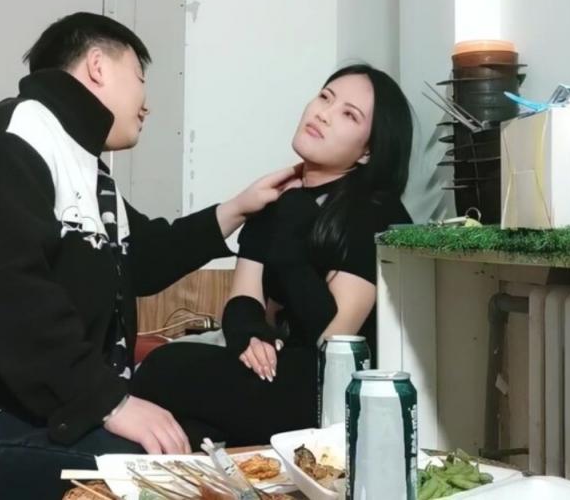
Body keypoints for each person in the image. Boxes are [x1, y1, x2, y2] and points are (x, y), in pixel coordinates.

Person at [0, 12, 300, 499]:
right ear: (98, 66)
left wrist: (236, 209)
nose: (147, 103)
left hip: (2, 414)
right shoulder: (10, 140)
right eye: (140, 78)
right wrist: (110, 403)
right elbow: (6, 296)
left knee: (189, 450)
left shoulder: (85, 168)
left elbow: (139, 257)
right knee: (158, 479)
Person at [129, 64, 414, 446]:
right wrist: (249, 336)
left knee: (163, 370)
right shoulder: (274, 202)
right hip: (282, 367)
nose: (324, 113)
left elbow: (332, 342)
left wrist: (292, 225)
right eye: (325, 97)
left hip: (334, 384)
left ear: (367, 152)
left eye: (349, 114)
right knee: (171, 392)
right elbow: (243, 297)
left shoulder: (377, 213)